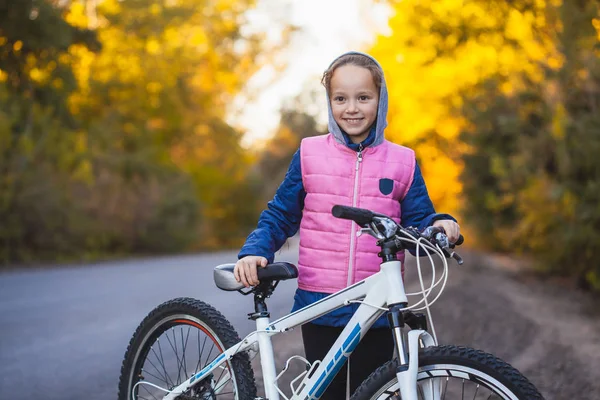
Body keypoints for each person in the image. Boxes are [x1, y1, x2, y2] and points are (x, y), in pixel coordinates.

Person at [234, 51, 460, 399]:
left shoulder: (402, 161)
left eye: (363, 97)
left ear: (380, 101)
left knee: (373, 392)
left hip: (380, 306)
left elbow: (419, 223)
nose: (351, 108)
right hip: (321, 303)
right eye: (340, 98)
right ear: (329, 102)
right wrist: (255, 251)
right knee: (328, 394)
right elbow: (280, 214)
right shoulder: (310, 153)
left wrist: (441, 224)